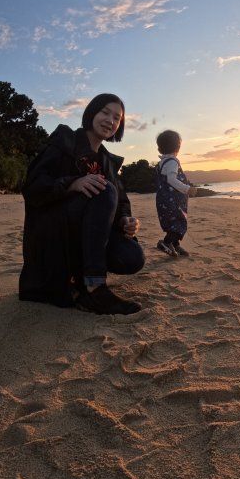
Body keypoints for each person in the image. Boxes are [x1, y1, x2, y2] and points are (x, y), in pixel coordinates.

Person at [19, 93, 145, 315]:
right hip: (54, 232)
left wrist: (126, 220)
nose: (110, 120)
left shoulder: (107, 161)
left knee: (132, 256)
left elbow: (121, 202)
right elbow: (33, 186)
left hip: (86, 235)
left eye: (117, 118)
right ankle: (94, 288)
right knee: (103, 188)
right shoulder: (65, 141)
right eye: (105, 112)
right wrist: (72, 183)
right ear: (91, 113)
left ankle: (82, 275)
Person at [155, 130, 197, 257]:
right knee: (178, 222)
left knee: (173, 222)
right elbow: (171, 180)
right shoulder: (172, 161)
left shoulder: (162, 162)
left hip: (165, 199)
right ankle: (166, 242)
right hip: (172, 200)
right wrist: (187, 189)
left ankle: (176, 245)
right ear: (178, 146)